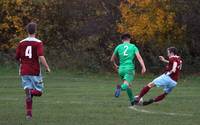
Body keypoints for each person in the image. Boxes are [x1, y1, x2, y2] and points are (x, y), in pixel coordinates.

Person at [16, 22, 50, 119]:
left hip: (24, 71)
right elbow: (41, 56)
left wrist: (20, 67)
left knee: (28, 92)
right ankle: (30, 92)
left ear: (27, 31)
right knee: (39, 91)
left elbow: (18, 57)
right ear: (35, 31)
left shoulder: (21, 43)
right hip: (34, 71)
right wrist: (47, 67)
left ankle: (29, 115)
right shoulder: (38, 42)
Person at [110, 33, 146, 105]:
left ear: (122, 40)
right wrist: (143, 67)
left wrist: (115, 65)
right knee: (125, 84)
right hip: (129, 69)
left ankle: (132, 101)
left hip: (121, 69)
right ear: (129, 39)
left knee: (128, 85)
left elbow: (111, 59)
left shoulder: (118, 47)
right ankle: (120, 88)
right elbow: (138, 57)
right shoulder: (133, 46)